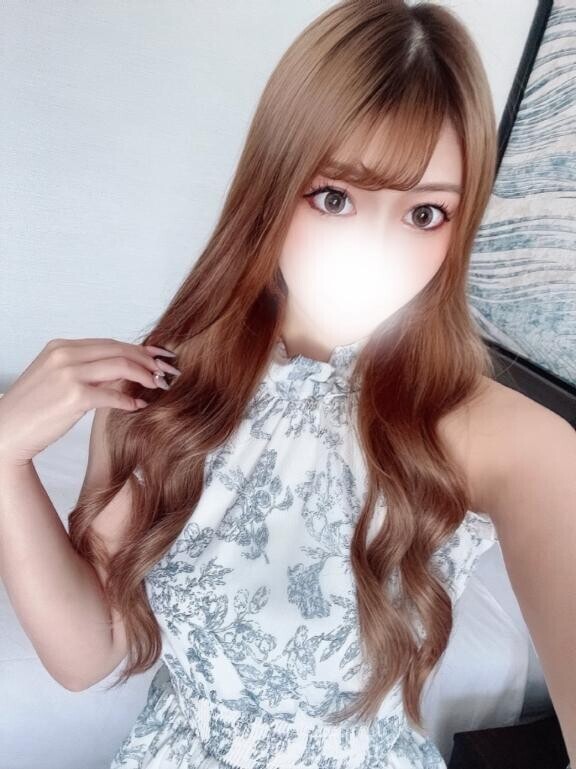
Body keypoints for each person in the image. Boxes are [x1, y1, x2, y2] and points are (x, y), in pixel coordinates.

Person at [2, 1, 562, 767]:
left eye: (426, 213)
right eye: (336, 197)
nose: (376, 250)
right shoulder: (170, 384)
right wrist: (6, 458)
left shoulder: (493, 435)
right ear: (274, 185)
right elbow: (90, 653)